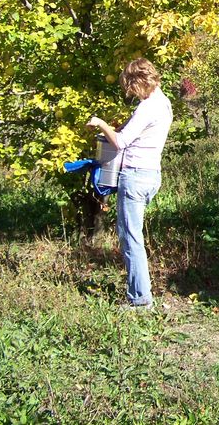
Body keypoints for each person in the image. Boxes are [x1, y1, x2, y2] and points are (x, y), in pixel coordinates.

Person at [87, 58, 173, 309]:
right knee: (134, 235)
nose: (131, 93)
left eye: (131, 87)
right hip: (151, 174)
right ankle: (140, 295)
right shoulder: (164, 103)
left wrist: (101, 123)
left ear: (139, 81)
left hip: (135, 175)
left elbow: (121, 142)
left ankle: (140, 300)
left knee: (130, 238)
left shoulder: (147, 107)